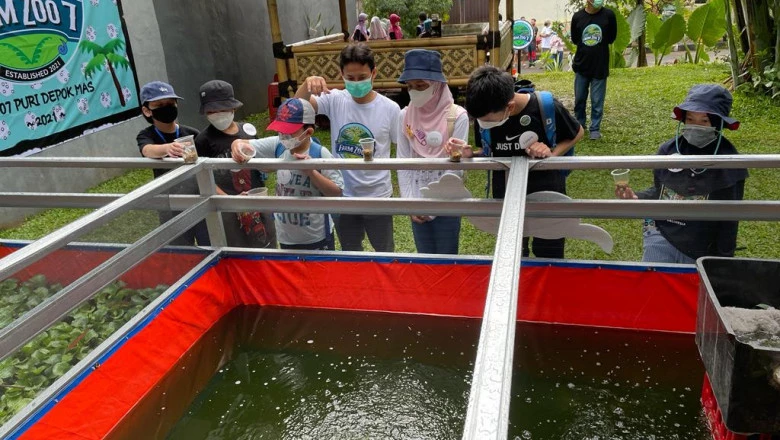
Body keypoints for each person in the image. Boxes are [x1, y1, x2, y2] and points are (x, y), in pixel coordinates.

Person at [615, 84, 748, 264]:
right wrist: (636, 197)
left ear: (718, 123)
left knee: (692, 289)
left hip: (701, 244)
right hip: (662, 232)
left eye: (704, 121)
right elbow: (660, 190)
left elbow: (729, 221)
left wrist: (722, 263)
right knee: (654, 283)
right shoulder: (668, 150)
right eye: (690, 119)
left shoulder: (730, 163)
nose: (695, 126)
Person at [464, 66, 584, 259]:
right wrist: (472, 153)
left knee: (549, 252)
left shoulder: (545, 107)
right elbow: (490, 149)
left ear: (509, 107)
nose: (482, 124)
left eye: (487, 120)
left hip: (548, 193)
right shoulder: (485, 112)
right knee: (513, 252)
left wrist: (551, 153)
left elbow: (577, 132)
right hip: (506, 192)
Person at [296, 43, 401, 252]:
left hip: (378, 197)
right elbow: (295, 110)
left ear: (374, 73)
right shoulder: (335, 100)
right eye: (350, 78)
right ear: (341, 75)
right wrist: (306, 85)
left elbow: (404, 150)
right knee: (350, 253)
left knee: (385, 253)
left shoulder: (390, 109)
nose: (356, 83)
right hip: (343, 195)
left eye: (362, 77)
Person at [231, 98, 344, 250]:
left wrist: (311, 171)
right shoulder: (278, 145)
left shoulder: (320, 153)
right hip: (286, 237)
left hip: (316, 237)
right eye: (280, 129)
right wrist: (237, 146)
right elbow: (242, 143)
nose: (283, 135)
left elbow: (336, 192)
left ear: (308, 131)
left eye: (288, 131)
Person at [396, 49, 469, 255]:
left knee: (447, 259)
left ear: (437, 85)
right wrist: (411, 204)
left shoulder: (457, 117)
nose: (415, 91)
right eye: (410, 87)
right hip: (417, 203)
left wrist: (434, 209)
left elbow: (457, 167)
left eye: (421, 86)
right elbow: (402, 162)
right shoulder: (405, 116)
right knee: (425, 260)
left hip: (447, 203)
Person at [194, 79, 276, 248]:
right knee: (236, 248)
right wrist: (230, 200)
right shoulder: (203, 140)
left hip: (257, 201)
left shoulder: (248, 130)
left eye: (223, 109)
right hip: (228, 208)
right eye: (213, 111)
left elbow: (262, 163)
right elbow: (203, 177)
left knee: (266, 244)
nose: (219, 114)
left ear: (233, 107)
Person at [136, 81, 209, 246]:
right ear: (147, 111)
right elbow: (147, 150)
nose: (167, 108)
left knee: (209, 244)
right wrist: (167, 149)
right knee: (179, 251)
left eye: (170, 103)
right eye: (160, 105)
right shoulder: (146, 135)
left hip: (198, 199)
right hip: (169, 203)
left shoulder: (192, 133)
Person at [571, 0, 617, 140]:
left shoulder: (609, 15)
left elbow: (611, 37)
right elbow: (575, 39)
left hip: (600, 65)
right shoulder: (578, 17)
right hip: (582, 65)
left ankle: (595, 128)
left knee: (597, 101)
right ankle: (580, 125)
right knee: (579, 99)